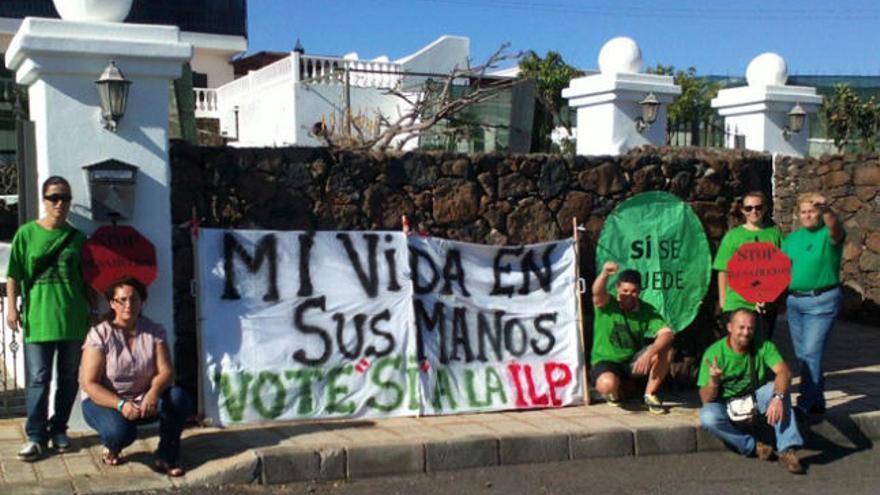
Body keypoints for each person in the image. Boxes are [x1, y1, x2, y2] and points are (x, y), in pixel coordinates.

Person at [5, 176, 90, 461]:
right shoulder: (27, 234)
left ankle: (59, 429)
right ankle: (35, 436)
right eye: (54, 197)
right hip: (39, 319)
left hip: (73, 318)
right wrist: (12, 308)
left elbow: (88, 279)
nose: (59, 203)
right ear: (44, 199)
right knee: (39, 379)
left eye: (65, 198)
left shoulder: (77, 238)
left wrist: (96, 311)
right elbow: (14, 273)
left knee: (68, 379)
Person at [80, 276, 193, 476]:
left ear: (142, 302)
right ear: (112, 303)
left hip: (143, 399)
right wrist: (121, 405)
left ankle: (167, 455)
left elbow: (165, 370)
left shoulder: (153, 330)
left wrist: (153, 393)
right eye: (122, 300)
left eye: (134, 299)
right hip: (103, 402)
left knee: (179, 399)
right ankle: (113, 446)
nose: (128, 305)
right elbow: (89, 383)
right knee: (121, 433)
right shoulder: (99, 334)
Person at [698, 309, 804, 474]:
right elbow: (705, 398)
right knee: (708, 417)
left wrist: (777, 397)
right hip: (724, 402)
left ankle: (787, 450)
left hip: (753, 397)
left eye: (750, 328)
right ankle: (752, 446)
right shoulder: (714, 353)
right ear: (729, 327)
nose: (746, 333)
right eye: (741, 327)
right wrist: (713, 380)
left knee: (778, 389)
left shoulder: (764, 346)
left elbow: (784, 372)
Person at [783, 193, 844, 416]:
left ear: (819, 213)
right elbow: (777, 271)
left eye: (812, 210)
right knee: (803, 355)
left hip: (822, 301)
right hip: (795, 302)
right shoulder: (791, 240)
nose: (808, 215)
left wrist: (827, 209)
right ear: (798, 215)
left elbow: (835, 229)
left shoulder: (828, 234)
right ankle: (817, 401)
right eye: (804, 211)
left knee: (810, 351)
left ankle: (805, 402)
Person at [590, 261, 674, 414]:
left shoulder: (646, 310)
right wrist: (604, 274)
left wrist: (650, 353)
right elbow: (597, 292)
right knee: (607, 384)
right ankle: (614, 394)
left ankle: (649, 395)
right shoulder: (607, 304)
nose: (629, 295)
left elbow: (666, 333)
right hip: (607, 362)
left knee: (666, 350)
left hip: (632, 362)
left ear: (640, 291)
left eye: (633, 291)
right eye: (625, 291)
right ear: (617, 289)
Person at [713, 191, 784, 340]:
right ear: (743, 210)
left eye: (758, 207)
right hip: (736, 303)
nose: (754, 211)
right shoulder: (733, 237)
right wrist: (724, 302)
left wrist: (771, 297)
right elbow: (723, 270)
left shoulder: (775, 235)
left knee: (760, 352)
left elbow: (782, 271)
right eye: (749, 208)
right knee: (738, 353)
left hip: (765, 306)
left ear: (764, 209)